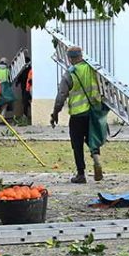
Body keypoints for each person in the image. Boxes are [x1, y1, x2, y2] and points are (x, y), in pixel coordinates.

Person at [50, 45, 103, 183]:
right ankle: (96, 156)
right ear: (81, 55)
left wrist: (55, 113)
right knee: (92, 138)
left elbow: (61, 95)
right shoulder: (92, 68)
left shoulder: (69, 73)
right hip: (93, 112)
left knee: (77, 144)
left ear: (69, 58)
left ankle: (81, 174)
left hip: (78, 115)